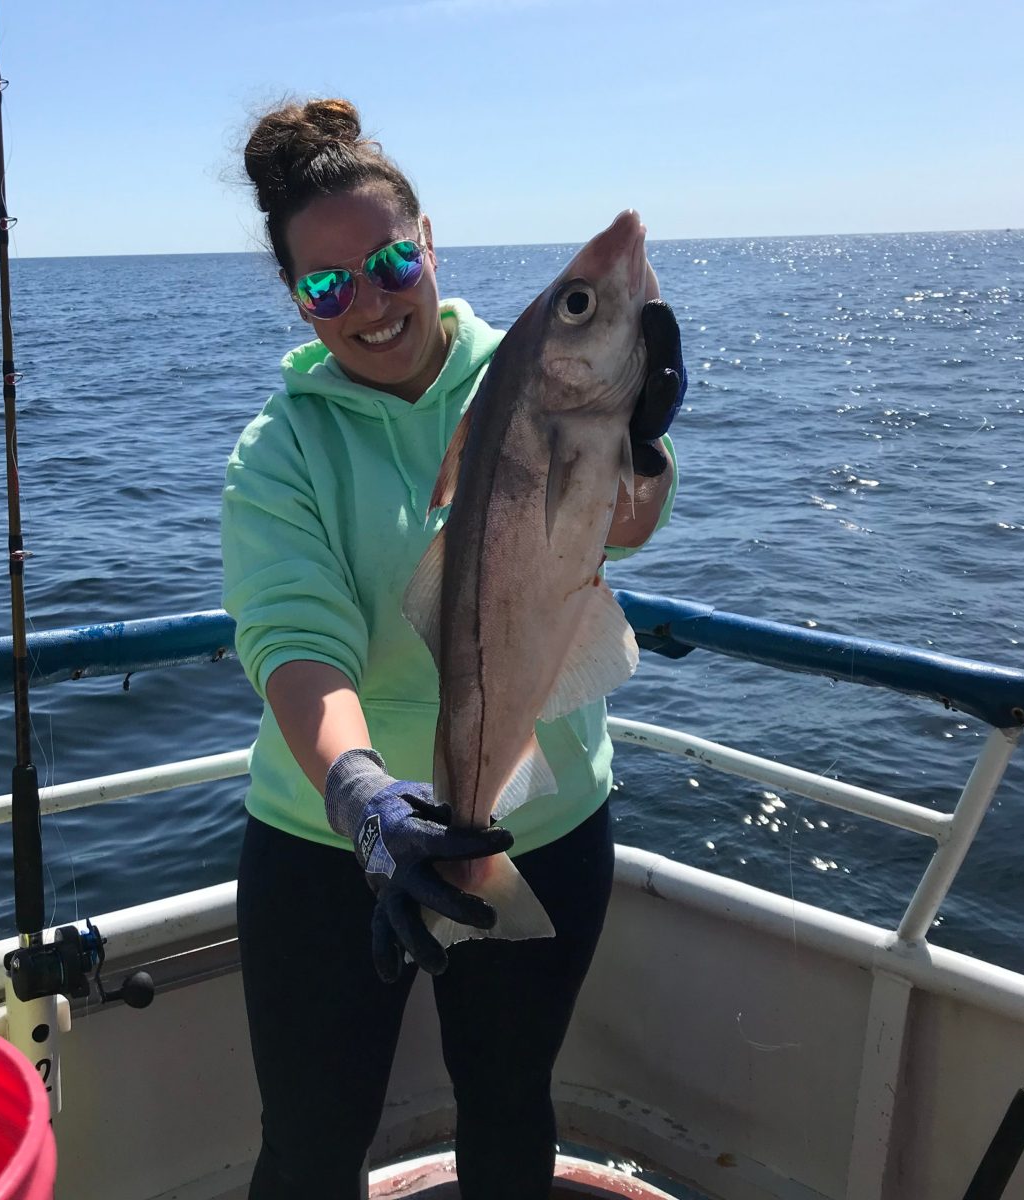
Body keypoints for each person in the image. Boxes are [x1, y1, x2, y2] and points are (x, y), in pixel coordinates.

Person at [221, 97, 684, 1200]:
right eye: (328, 287)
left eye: (390, 263)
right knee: (310, 1144)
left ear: (428, 241)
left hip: (542, 821)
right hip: (332, 843)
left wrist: (641, 444)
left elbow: (624, 525)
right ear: (296, 298)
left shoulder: (522, 371)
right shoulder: (279, 451)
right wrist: (361, 792)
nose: (371, 303)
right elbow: (296, 642)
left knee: (511, 1103)